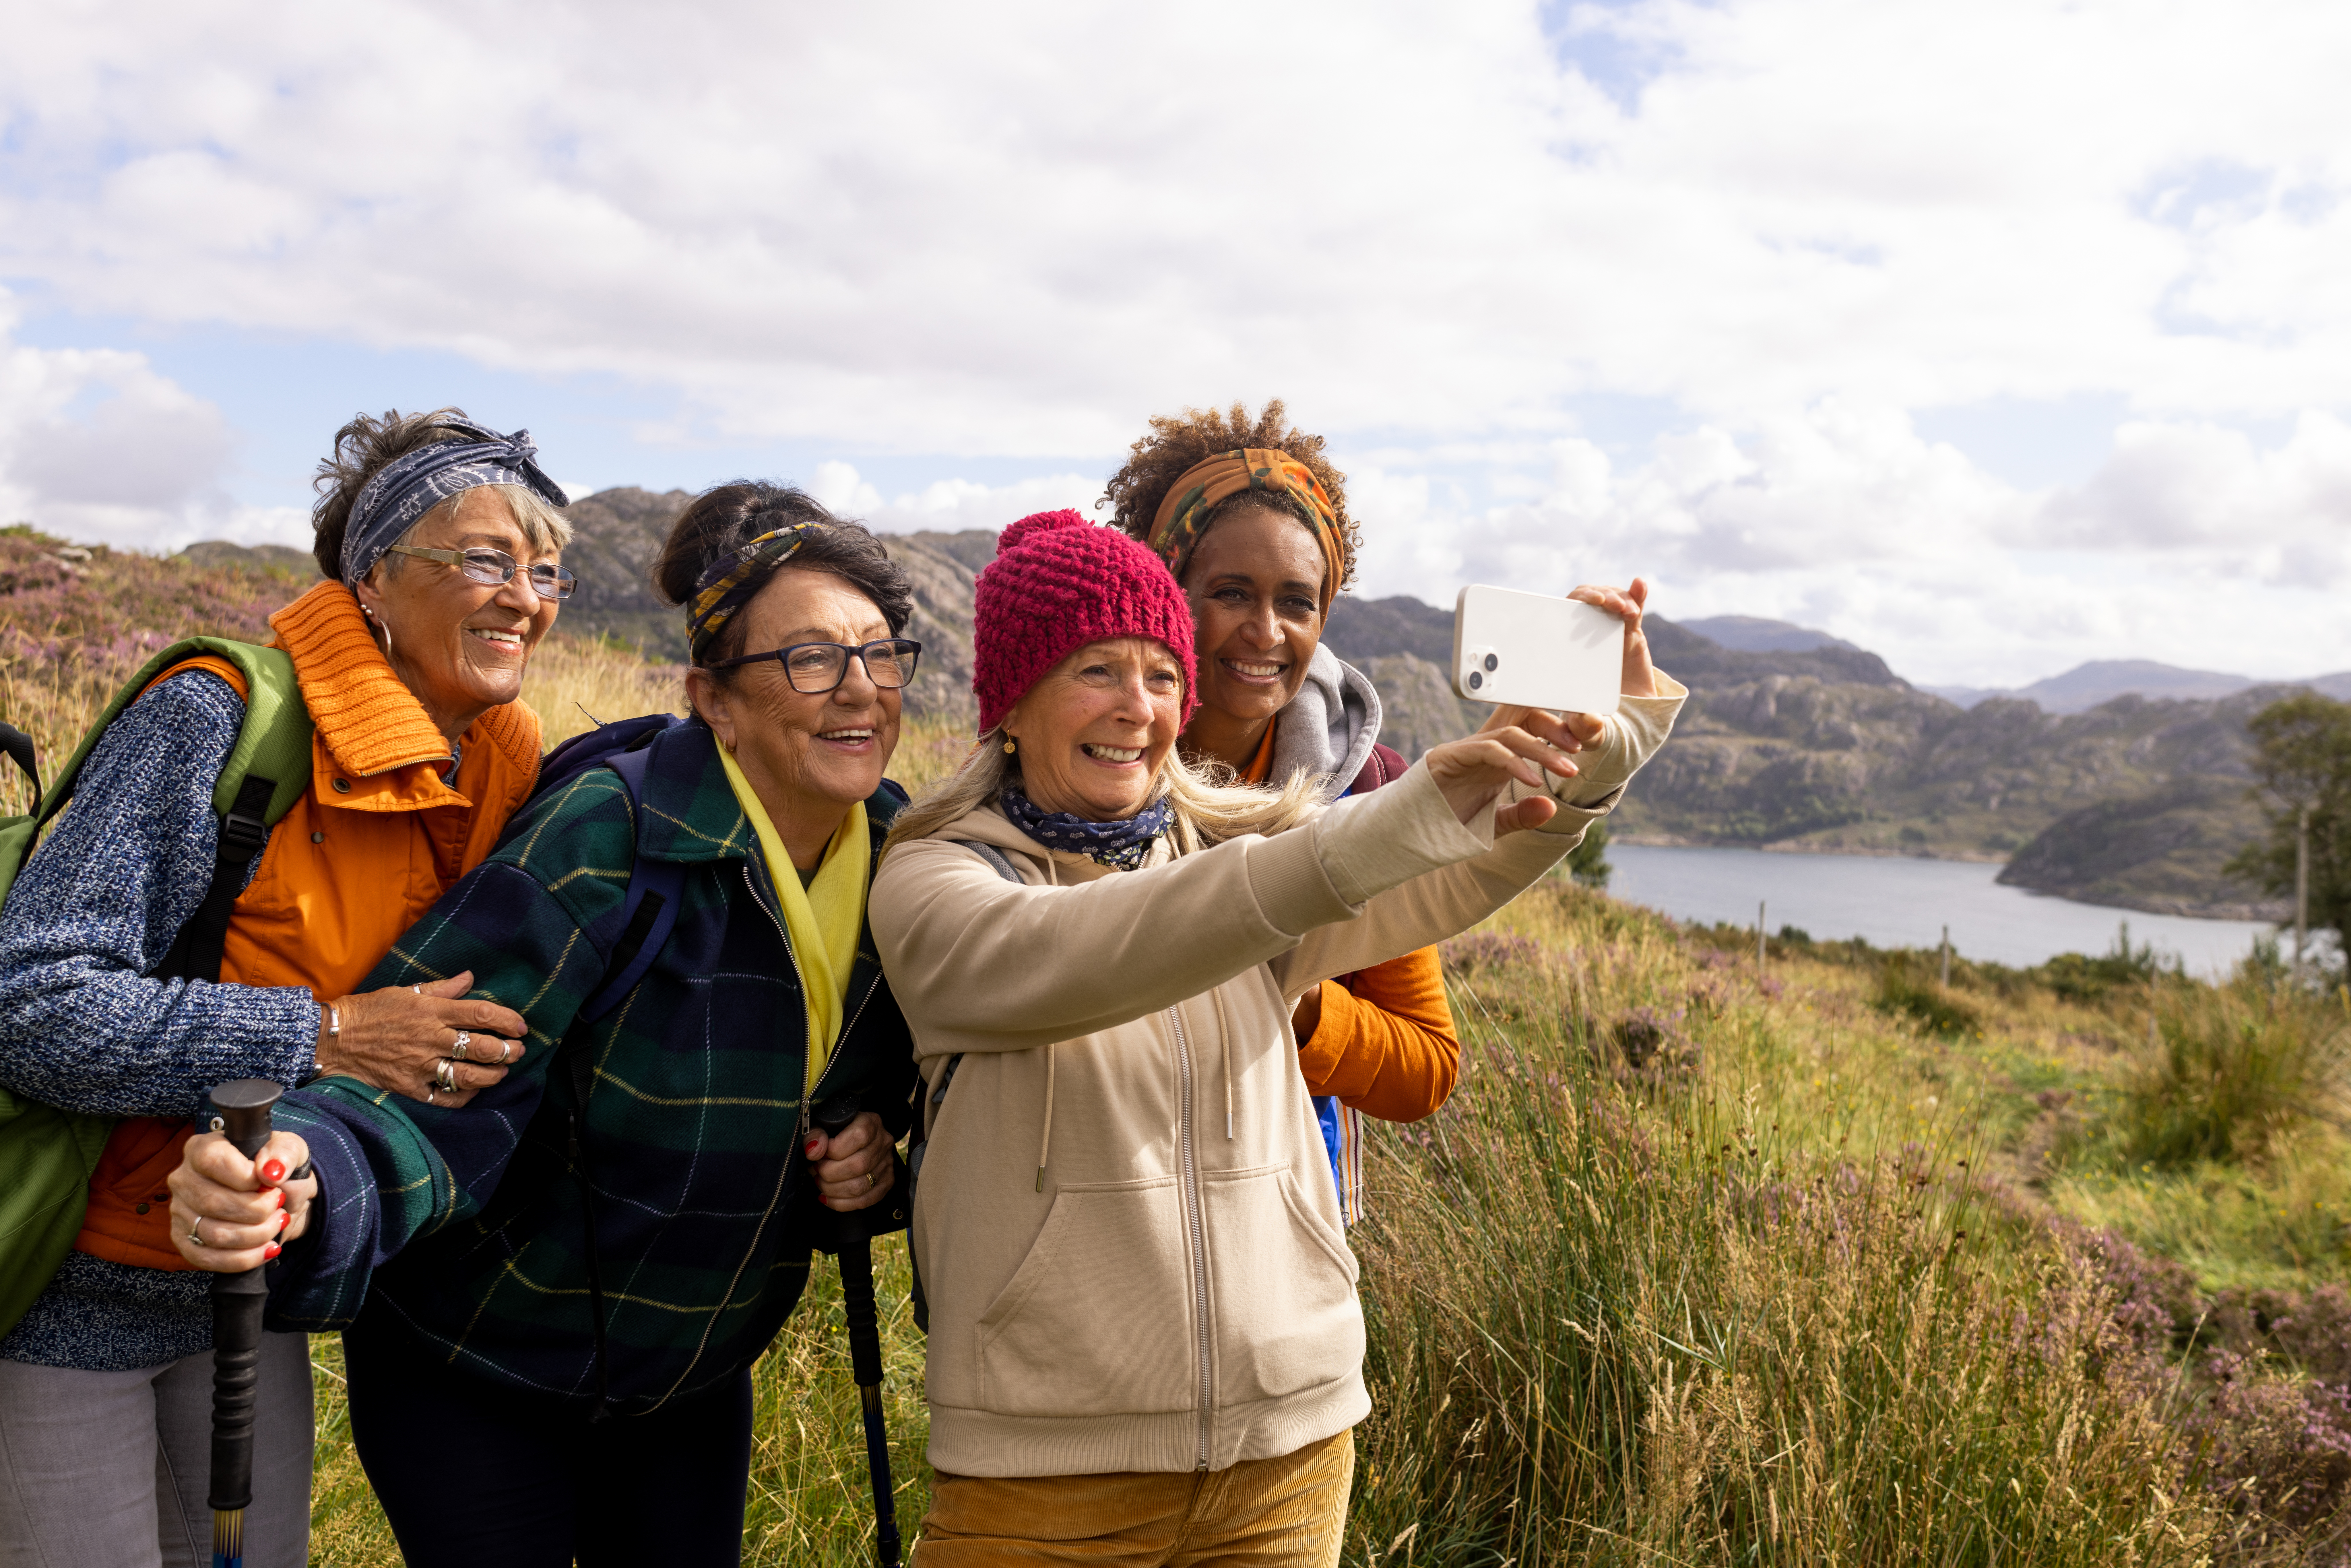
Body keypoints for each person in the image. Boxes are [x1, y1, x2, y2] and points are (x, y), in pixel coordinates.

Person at [870, 509, 1685, 1563]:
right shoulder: (939, 880)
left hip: (1291, 1454)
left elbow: (1451, 875)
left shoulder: (1231, 853)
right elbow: (1107, 944)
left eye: (1164, 676)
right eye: (1097, 671)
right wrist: (1399, 812)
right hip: (1047, 1479)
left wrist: (1595, 747)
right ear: (1011, 703)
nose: (1139, 708)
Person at [166, 482, 921, 1568]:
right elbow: (438, 1075)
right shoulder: (611, 835)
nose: (857, 691)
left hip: (687, 1379)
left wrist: (865, 1148)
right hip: (479, 1365)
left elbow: (891, 1074)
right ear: (716, 699)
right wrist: (305, 1171)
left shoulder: (905, 859)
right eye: (807, 660)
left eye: (879, 655)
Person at [0, 408, 571, 1568]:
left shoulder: (510, 770)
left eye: (544, 569)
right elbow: (32, 1001)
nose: (524, 596)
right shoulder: (219, 718)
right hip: (65, 1298)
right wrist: (327, 1032)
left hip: (252, 1310)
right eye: (481, 560)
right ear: (370, 581)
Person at [1105, 400, 1455, 1221]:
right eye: (1231, 592)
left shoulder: (1367, 791)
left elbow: (1426, 1067)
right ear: (1166, 590)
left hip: (1280, 1222)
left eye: (1297, 602)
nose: (1265, 631)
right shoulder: (1085, 761)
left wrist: (1293, 1001)